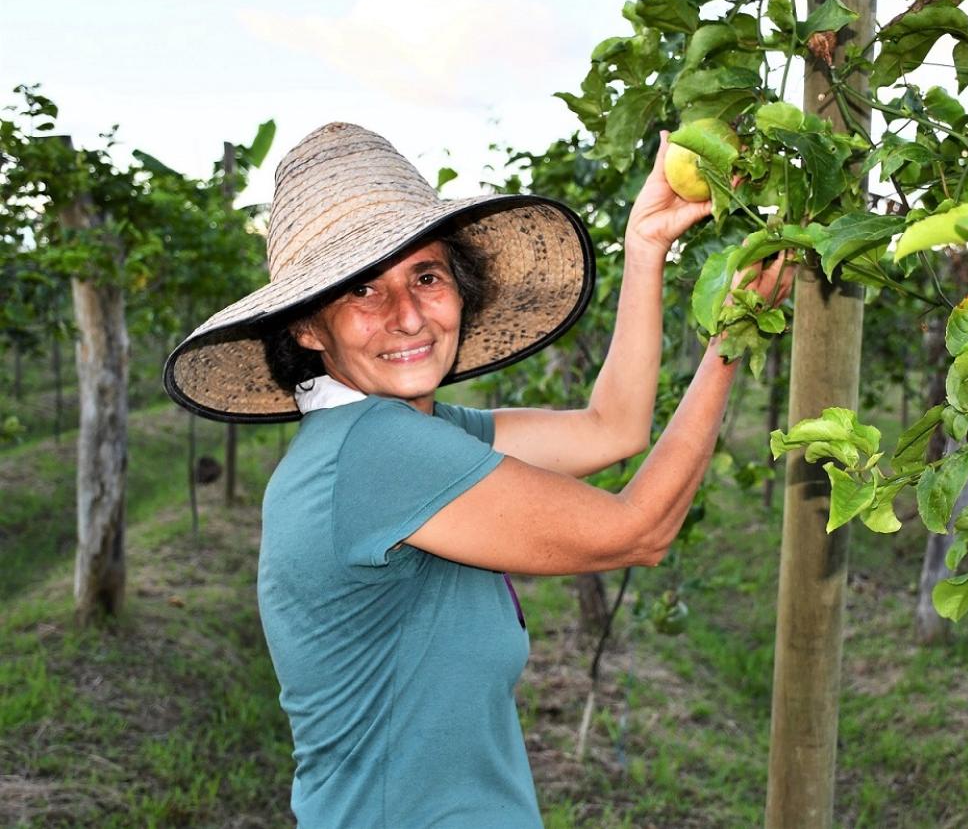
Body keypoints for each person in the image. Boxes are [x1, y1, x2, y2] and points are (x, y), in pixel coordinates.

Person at [164, 121, 790, 828]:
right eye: (363, 290)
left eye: (425, 277)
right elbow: (637, 530)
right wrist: (737, 333)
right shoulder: (376, 452)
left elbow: (609, 428)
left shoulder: (402, 436)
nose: (407, 317)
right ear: (309, 328)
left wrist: (646, 244)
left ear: (458, 288)